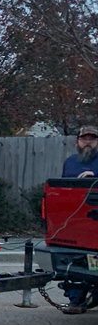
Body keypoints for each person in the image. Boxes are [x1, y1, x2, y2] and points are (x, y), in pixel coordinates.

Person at [61, 125, 98, 312]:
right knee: (75, 263)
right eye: (85, 138)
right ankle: (76, 300)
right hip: (74, 224)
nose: (88, 142)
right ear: (77, 142)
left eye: (92, 138)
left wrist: (95, 176)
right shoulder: (70, 162)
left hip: (95, 224)